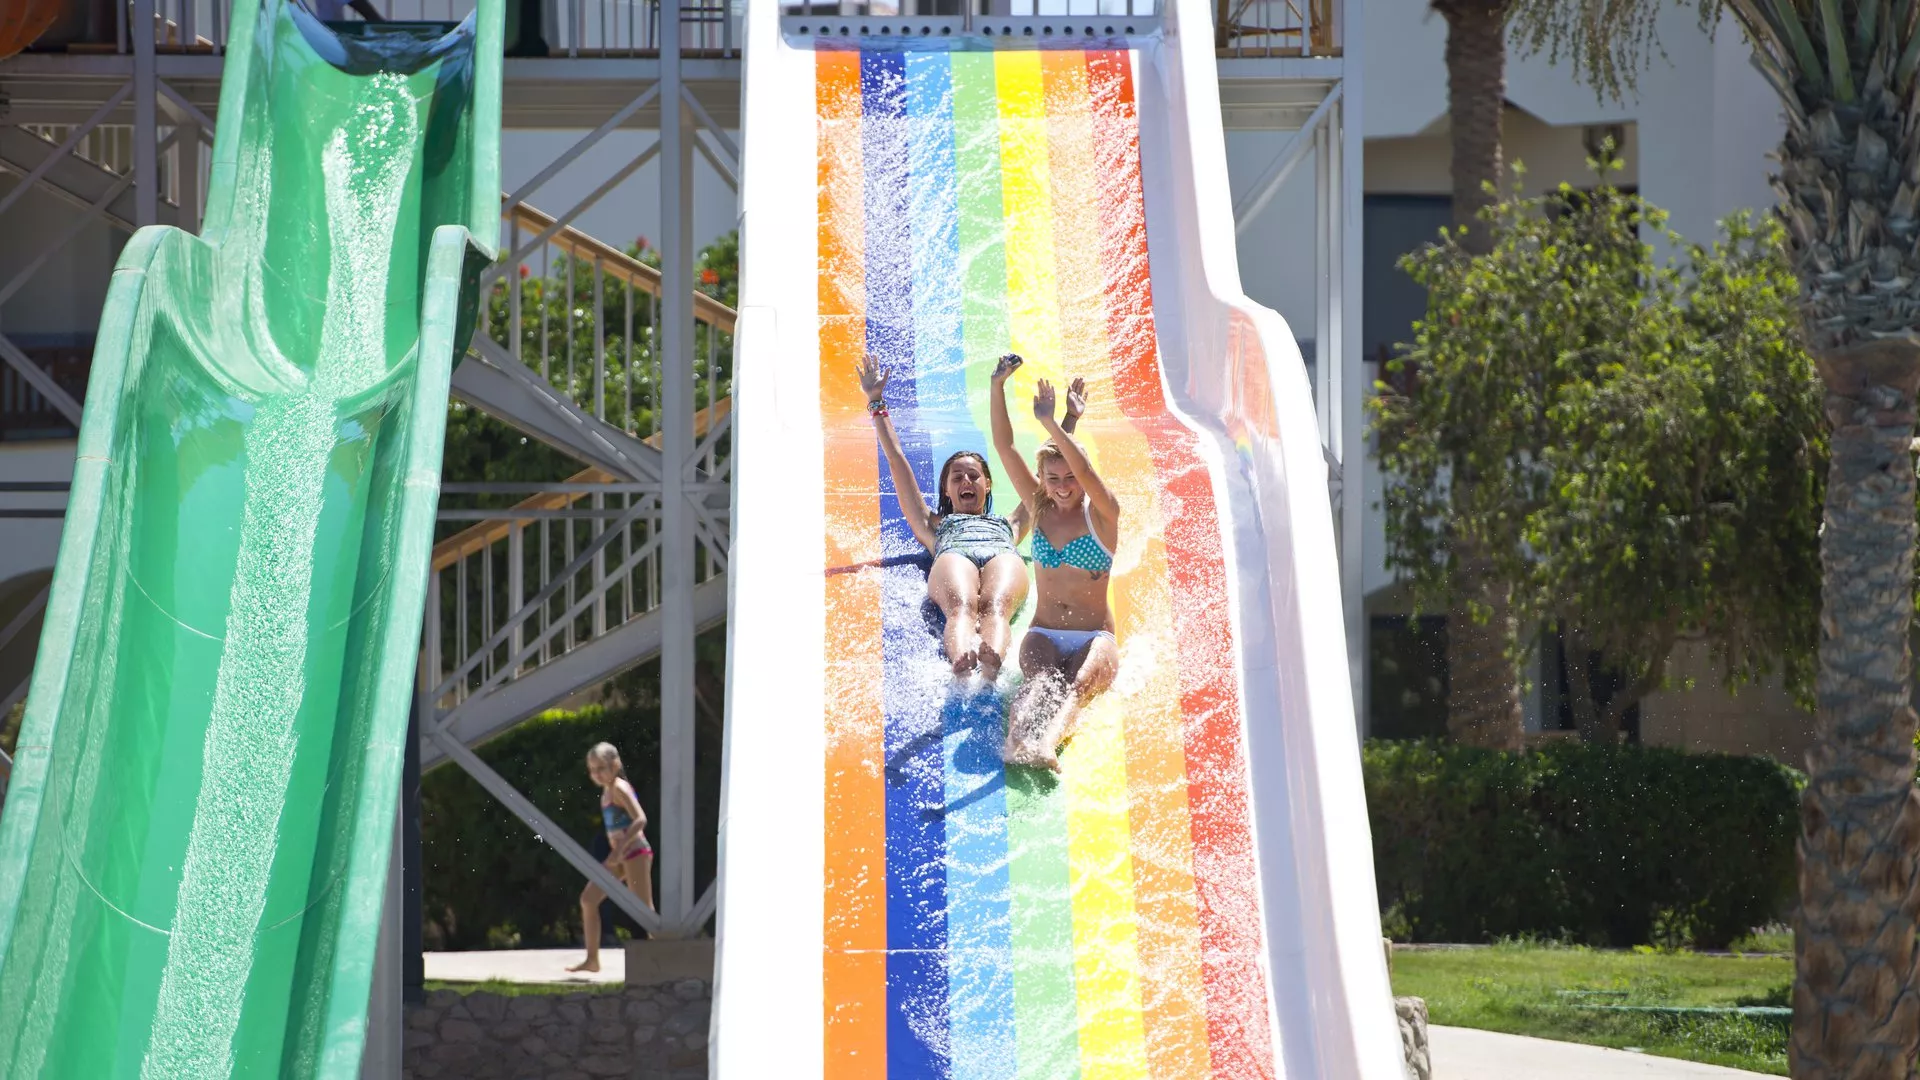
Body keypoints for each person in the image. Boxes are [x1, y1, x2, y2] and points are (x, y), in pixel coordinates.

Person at [858, 355, 1035, 680]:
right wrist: (876, 401)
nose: (966, 481)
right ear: (946, 489)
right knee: (961, 607)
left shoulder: (1011, 524)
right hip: (954, 552)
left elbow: (1046, 481)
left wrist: (1067, 421)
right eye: (957, 477)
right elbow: (897, 460)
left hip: (1002, 552)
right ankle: (961, 660)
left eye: (974, 476)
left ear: (987, 484)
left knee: (996, 608)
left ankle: (992, 661)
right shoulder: (932, 524)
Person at [990, 355, 1120, 771]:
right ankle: (1015, 742)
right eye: (1053, 479)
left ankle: (1046, 744)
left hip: (1093, 636)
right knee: (1041, 681)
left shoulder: (1103, 514)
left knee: (1076, 685)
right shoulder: (1039, 510)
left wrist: (1052, 423)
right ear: (1043, 482)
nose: (1063, 487)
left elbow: (1082, 466)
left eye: (1070, 478)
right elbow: (1006, 448)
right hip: (1044, 631)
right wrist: (997, 386)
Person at [568, 742, 653, 974]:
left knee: (645, 911)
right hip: (619, 858)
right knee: (588, 899)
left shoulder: (618, 788)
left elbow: (640, 819)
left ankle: (665, 958)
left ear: (615, 765)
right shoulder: (606, 791)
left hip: (635, 853)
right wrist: (615, 854)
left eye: (601, 768)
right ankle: (592, 960)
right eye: (592, 770)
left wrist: (618, 850)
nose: (596, 774)